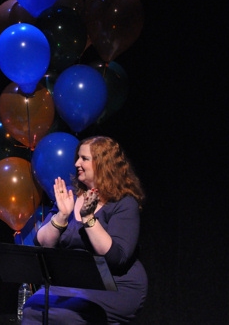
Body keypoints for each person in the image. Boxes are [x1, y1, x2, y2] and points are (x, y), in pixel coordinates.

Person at [22, 136, 148, 324]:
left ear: (103, 163)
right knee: (32, 308)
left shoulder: (123, 203)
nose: (76, 163)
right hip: (75, 282)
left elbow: (116, 258)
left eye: (84, 159)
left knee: (68, 315)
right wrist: (62, 215)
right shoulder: (70, 197)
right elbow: (42, 243)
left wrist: (89, 218)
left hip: (114, 285)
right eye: (77, 158)